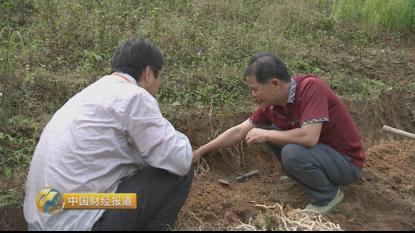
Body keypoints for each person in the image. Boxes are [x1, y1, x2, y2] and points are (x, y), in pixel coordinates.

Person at [24, 38, 194, 231]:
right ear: (148, 73)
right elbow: (180, 159)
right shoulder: (135, 97)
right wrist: (178, 137)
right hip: (83, 223)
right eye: (159, 76)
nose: (159, 84)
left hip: (43, 219)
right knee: (181, 171)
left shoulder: (88, 95)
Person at [193, 52, 365, 214]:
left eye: (255, 89)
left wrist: (267, 135)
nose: (253, 94)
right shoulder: (272, 107)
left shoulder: (311, 88)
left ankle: (328, 196)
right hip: (322, 158)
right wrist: (201, 151)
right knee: (269, 131)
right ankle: (302, 175)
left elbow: (309, 137)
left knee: (288, 149)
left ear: (274, 84)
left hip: (347, 164)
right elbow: (239, 131)